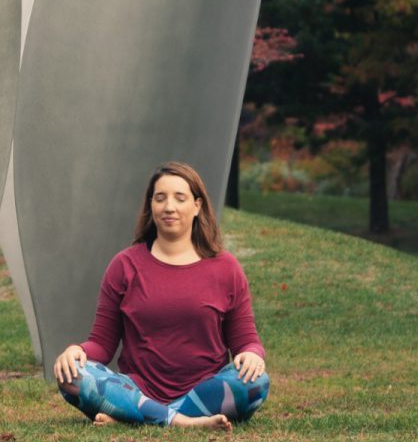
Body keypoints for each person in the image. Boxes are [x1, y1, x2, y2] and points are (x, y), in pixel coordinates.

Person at [53, 162, 269, 431]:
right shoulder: (124, 265)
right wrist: (77, 351)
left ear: (197, 206)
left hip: (203, 393)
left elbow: (247, 341)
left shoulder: (226, 269)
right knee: (73, 376)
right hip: (137, 388)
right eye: (160, 198)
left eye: (180, 198)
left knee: (256, 382)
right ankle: (182, 422)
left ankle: (136, 415)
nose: (169, 207)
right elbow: (102, 343)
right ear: (150, 206)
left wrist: (252, 355)